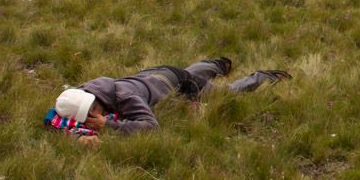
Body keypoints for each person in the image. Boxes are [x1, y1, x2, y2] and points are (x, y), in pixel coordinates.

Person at [46, 57, 291, 147]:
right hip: (157, 72)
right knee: (190, 73)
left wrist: (108, 126)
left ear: (95, 103)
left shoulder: (124, 97)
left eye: (92, 112)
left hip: (177, 86)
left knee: (221, 93)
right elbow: (58, 114)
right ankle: (216, 64)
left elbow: (151, 126)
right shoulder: (89, 90)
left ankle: (264, 77)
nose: (91, 116)